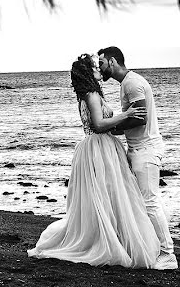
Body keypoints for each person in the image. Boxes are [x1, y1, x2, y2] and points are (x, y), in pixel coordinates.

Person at [28, 53, 160, 268]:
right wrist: (126, 115)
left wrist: (119, 118)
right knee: (108, 193)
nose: (99, 69)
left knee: (107, 195)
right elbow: (98, 125)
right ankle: (108, 241)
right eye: (95, 67)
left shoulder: (90, 94)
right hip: (99, 147)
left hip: (98, 147)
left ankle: (111, 237)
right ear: (89, 72)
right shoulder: (91, 94)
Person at [98, 46, 178, 270]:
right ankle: (154, 246)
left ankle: (168, 253)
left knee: (149, 201)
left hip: (146, 150)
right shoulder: (127, 83)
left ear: (113, 62)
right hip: (138, 149)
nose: (100, 67)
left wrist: (113, 127)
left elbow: (140, 118)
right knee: (148, 201)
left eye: (102, 62)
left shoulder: (132, 83)